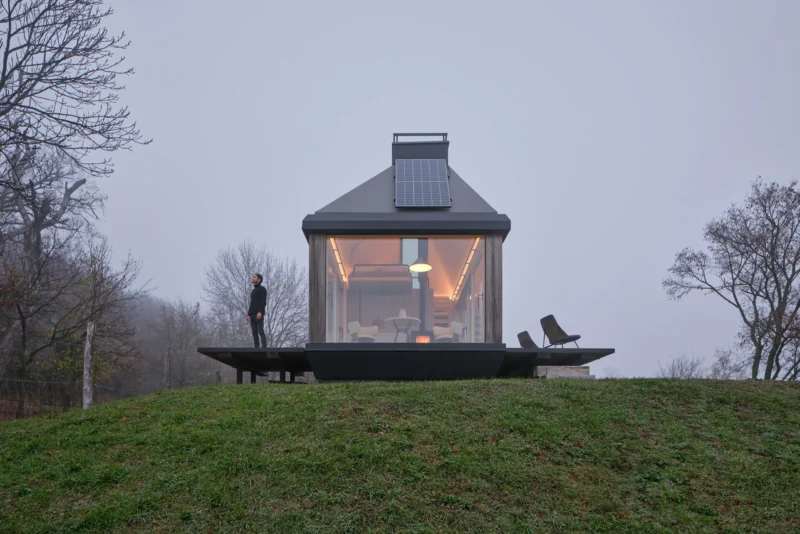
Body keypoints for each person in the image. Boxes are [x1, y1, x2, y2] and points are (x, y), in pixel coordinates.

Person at [246, 273, 267, 348]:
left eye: (254, 277)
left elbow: (263, 301)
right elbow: (252, 303)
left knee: (260, 331)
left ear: (259, 279)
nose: (253, 278)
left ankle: (264, 347)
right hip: (252, 315)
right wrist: (248, 314)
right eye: (253, 277)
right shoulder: (253, 291)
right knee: (254, 332)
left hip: (259, 314)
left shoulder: (262, 289)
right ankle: (256, 348)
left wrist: (260, 312)